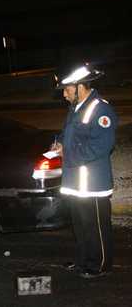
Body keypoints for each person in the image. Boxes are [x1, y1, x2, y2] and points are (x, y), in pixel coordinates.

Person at [52, 62, 117, 279]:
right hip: (75, 182)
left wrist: (68, 154)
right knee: (80, 226)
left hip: (93, 183)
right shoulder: (75, 109)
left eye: (67, 89)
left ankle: (100, 264)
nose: (64, 94)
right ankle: (83, 260)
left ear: (81, 87)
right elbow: (66, 134)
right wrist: (59, 144)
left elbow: (102, 145)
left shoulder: (100, 109)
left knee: (96, 227)